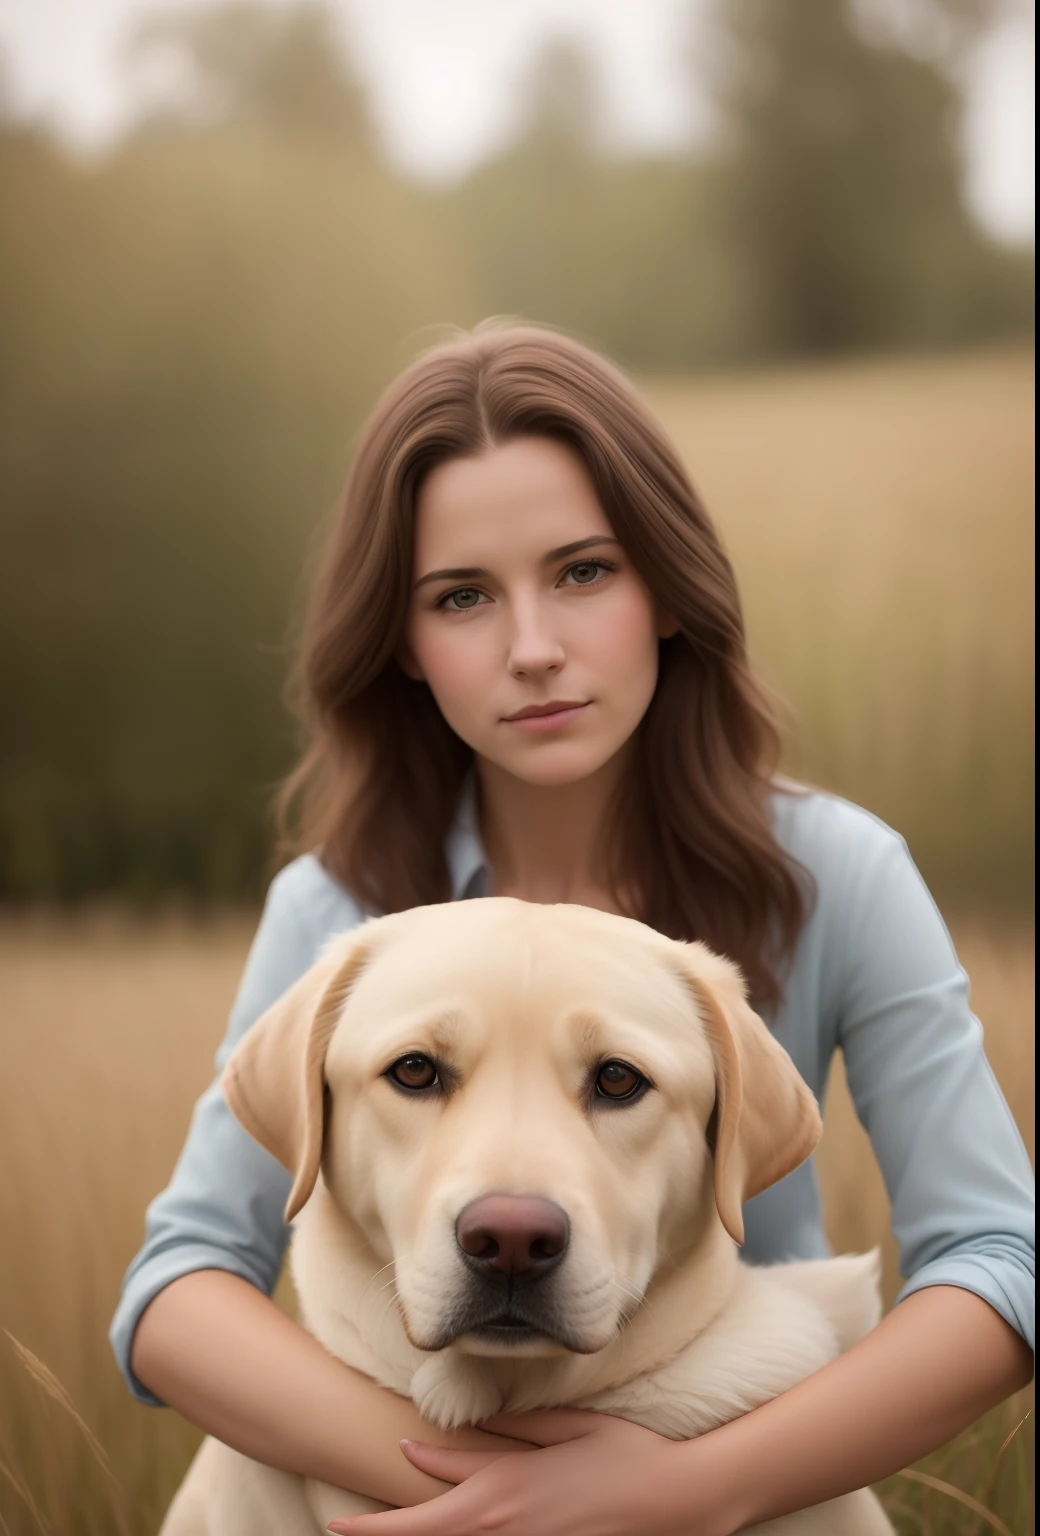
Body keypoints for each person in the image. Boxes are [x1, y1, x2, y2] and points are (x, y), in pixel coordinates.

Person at [111, 323, 1033, 1536]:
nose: (534, 648)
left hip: (742, 1478)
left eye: (583, 572)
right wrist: (489, 1496)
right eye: (463, 597)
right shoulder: (338, 912)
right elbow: (178, 1289)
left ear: (666, 587)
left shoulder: (837, 874)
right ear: (404, 642)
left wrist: (683, 1491)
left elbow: (998, 1267)